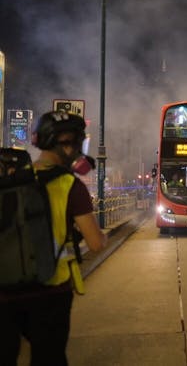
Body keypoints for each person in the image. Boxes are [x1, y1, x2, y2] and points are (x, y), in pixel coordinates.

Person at [0, 110, 107, 365]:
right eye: (79, 143)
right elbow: (96, 243)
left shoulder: (8, 179)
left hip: (3, 292)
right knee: (49, 358)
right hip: (50, 293)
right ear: (67, 144)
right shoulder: (70, 185)